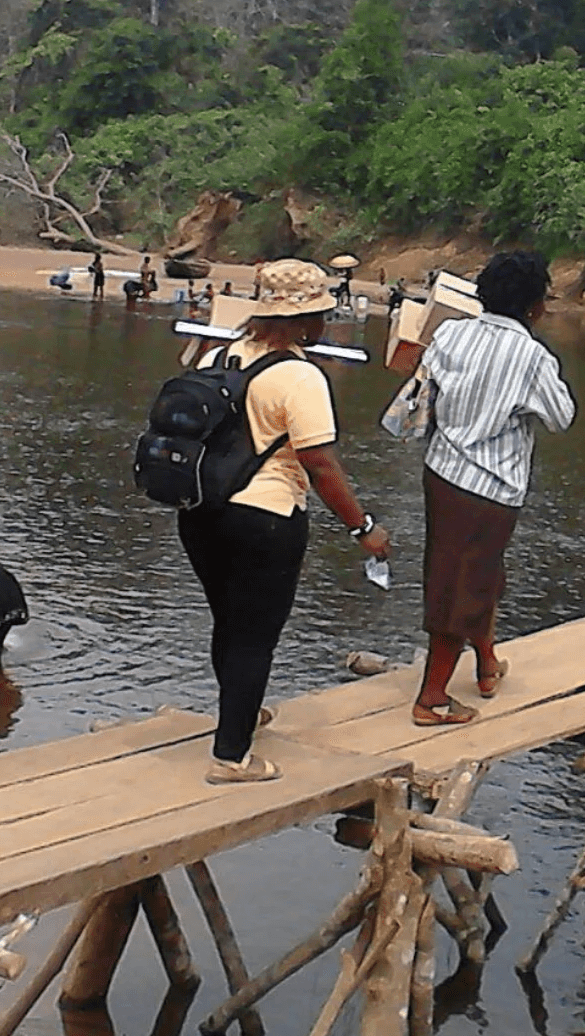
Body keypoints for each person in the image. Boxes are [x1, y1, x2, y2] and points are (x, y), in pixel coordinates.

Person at [177, 259, 393, 783]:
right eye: (321, 313)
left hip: (202, 514)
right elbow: (319, 462)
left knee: (230, 623)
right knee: (255, 636)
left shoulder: (217, 356)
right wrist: (363, 529)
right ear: (305, 322)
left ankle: (240, 715)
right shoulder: (300, 375)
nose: (325, 322)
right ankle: (231, 757)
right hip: (265, 519)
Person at [411, 251, 575, 726]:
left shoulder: (450, 333)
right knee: (463, 585)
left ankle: (485, 664)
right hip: (490, 485)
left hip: (441, 472)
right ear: (533, 306)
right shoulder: (531, 356)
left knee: (470, 573)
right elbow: (561, 418)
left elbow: (427, 386)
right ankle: (432, 700)